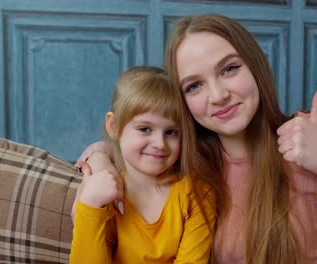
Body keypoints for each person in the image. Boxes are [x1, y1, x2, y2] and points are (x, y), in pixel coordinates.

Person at [75, 14, 317, 263]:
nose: (218, 95)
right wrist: (100, 157)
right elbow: (131, 141)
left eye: (229, 69)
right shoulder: (192, 166)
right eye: (194, 85)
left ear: (255, 65)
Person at [70, 66, 215, 263]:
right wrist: (90, 205)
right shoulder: (103, 195)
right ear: (114, 127)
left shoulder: (196, 193)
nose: (160, 143)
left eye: (171, 132)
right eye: (145, 129)